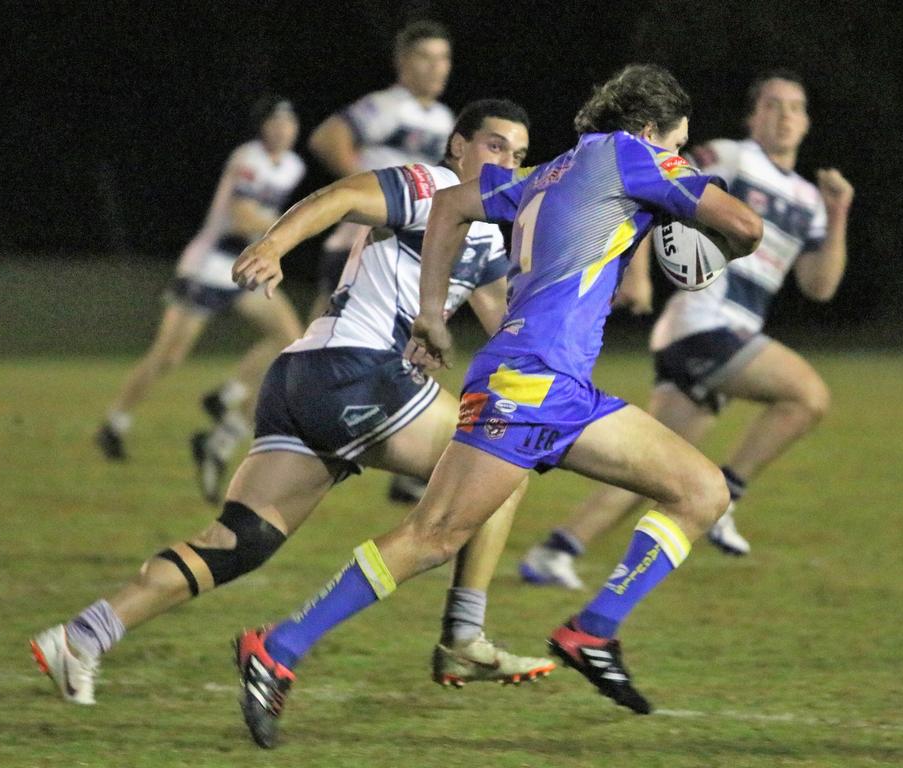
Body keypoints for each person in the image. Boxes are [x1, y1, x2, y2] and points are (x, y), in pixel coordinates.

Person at [232, 64, 763, 749]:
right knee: (434, 535)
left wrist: (431, 314)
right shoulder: (632, 155)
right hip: (529, 384)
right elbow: (745, 224)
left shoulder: (545, 174)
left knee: (701, 488)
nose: (676, 159)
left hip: (558, 388)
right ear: (649, 130)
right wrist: (715, 243)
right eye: (676, 145)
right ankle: (278, 648)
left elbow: (452, 206)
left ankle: (592, 630)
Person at [29, 99, 553, 710]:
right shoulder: (431, 185)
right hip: (354, 369)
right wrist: (275, 244)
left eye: (518, 156)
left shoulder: (487, 230)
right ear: (459, 146)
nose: (507, 163)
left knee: (241, 540)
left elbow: (507, 324)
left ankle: (83, 636)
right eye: (495, 147)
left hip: (304, 379)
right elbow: (341, 197)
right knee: (499, 461)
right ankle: (464, 634)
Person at [520, 70, 855, 589]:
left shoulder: (809, 199)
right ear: (753, 115)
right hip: (702, 323)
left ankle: (555, 550)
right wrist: (636, 274)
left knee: (649, 468)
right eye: (772, 104)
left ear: (807, 121)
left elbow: (820, 286)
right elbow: (646, 188)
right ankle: (729, 495)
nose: (785, 116)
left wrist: (837, 214)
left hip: (726, 333)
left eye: (795, 107)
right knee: (807, 395)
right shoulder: (728, 157)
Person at [94, 97, 305, 503]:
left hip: (243, 265)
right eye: (275, 122)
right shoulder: (248, 158)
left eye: (289, 121)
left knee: (290, 339)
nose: (282, 129)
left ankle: (225, 394)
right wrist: (298, 225)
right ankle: (114, 423)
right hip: (207, 266)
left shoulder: (292, 166)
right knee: (168, 357)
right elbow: (243, 218)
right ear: (262, 128)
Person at [304, 19, 455, 505]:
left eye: (444, 58)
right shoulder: (388, 106)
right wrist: (367, 190)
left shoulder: (444, 118)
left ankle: (405, 463)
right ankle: (291, 435)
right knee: (324, 351)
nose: (437, 67)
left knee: (413, 347)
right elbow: (328, 137)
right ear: (402, 63)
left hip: (407, 254)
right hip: (360, 245)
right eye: (426, 57)